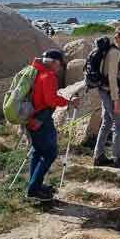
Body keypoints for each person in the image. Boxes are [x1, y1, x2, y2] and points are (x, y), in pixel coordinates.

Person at [27, 49, 80, 200]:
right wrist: (69, 102)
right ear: (55, 62)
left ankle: (35, 185)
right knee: (50, 153)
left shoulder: (35, 71)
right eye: (61, 64)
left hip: (30, 117)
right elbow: (51, 101)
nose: (60, 68)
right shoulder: (49, 76)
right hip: (41, 119)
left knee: (38, 152)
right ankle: (33, 189)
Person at [93, 25, 120, 169]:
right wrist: (116, 100)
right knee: (119, 124)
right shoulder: (115, 52)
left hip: (106, 90)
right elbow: (112, 77)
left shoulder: (115, 50)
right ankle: (119, 158)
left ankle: (99, 156)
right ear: (117, 37)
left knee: (107, 122)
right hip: (110, 92)